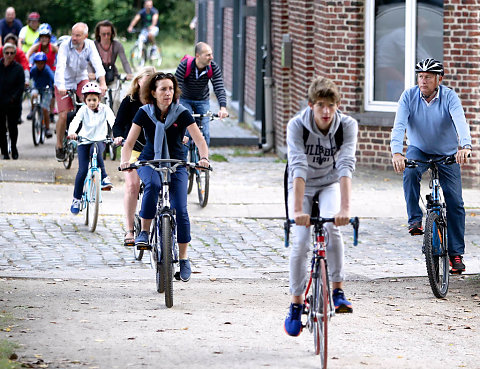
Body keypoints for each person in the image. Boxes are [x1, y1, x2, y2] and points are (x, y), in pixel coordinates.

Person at [283, 76, 358, 336]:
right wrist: (297, 212)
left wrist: (345, 210)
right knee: (301, 241)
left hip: (329, 183)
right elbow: (298, 166)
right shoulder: (297, 126)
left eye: (331, 105)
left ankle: (337, 290)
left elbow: (346, 164)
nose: (326, 112)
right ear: (310, 105)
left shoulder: (347, 126)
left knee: (332, 229)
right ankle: (296, 303)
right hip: (301, 184)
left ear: (338, 105)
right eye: (320, 105)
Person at [119, 72, 209, 282]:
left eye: (171, 89)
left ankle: (184, 258)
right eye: (163, 89)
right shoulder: (143, 113)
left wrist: (203, 158)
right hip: (150, 160)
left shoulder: (182, 112)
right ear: (153, 92)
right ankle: (144, 232)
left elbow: (200, 140)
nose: (168, 93)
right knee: (152, 185)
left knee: (181, 208)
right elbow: (129, 143)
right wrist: (125, 161)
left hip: (177, 162)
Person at [390, 58, 472, 274]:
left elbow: (460, 122)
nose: (423, 80)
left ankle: (455, 254)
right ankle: (415, 220)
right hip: (419, 149)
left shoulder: (449, 97)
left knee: (455, 202)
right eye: (420, 76)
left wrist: (465, 146)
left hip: (446, 153)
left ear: (439, 79)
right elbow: (398, 126)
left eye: (428, 77)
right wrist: (397, 152)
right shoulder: (408, 96)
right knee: (410, 172)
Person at [112, 66, 155, 246]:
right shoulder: (129, 101)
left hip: (153, 151)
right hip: (133, 149)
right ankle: (130, 230)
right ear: (138, 82)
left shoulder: (158, 101)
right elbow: (118, 124)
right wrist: (118, 137)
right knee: (132, 185)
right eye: (146, 81)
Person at [54, 22, 107, 162]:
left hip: (80, 79)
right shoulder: (65, 45)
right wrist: (61, 86)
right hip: (64, 81)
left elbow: (97, 64)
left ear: (85, 36)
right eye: (73, 34)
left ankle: (87, 138)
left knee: (88, 105)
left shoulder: (90, 45)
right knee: (64, 115)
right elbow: (60, 67)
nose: (74, 38)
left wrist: (102, 82)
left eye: (78, 35)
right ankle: (59, 144)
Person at [67, 82, 115, 214]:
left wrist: (117, 135)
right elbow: (75, 121)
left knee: (98, 150)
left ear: (99, 99)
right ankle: (76, 199)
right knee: (82, 170)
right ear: (85, 100)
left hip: (99, 140)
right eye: (89, 100)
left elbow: (113, 122)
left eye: (94, 100)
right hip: (84, 141)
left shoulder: (105, 109)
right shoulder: (83, 110)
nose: (92, 103)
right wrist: (72, 133)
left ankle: (104, 177)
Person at [175, 42, 228, 146]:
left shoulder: (213, 67)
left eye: (211, 54)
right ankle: (183, 160)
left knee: (205, 133)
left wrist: (223, 107)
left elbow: (219, 87)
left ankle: (203, 160)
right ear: (197, 56)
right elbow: (177, 86)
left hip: (202, 101)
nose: (211, 57)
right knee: (186, 132)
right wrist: (175, 105)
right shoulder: (185, 65)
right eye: (208, 55)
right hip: (185, 99)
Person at [88, 20, 133, 113]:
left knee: (116, 100)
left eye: (108, 34)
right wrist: (90, 73)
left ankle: (116, 123)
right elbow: (88, 62)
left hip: (112, 74)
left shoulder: (117, 45)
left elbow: (124, 61)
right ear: (98, 34)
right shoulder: (93, 45)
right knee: (99, 100)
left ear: (112, 34)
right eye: (103, 34)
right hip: (97, 76)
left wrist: (129, 73)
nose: (106, 37)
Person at [0, 43, 25, 160]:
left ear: (15, 54)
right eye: (7, 53)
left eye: (12, 53)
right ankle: (4, 151)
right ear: (3, 53)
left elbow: (20, 87)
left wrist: (13, 98)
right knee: (1, 128)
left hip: (12, 103)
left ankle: (13, 148)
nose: (9, 55)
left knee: (12, 127)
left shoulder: (18, 69)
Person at [29, 52, 54, 138]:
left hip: (47, 89)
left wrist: (54, 85)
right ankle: (32, 110)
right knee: (33, 95)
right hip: (37, 87)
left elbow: (53, 78)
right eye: (38, 63)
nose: (40, 65)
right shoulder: (33, 69)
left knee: (44, 108)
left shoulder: (47, 69)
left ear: (44, 63)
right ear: (35, 63)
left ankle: (47, 128)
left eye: (42, 63)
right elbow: (29, 77)